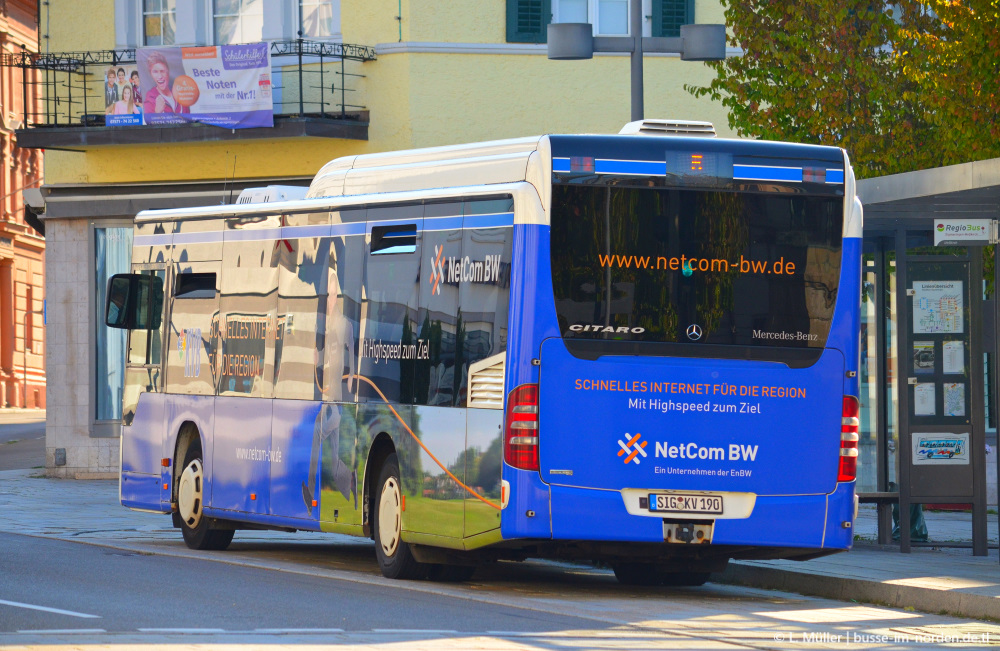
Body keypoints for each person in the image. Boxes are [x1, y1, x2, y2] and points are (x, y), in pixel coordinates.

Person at [303, 266, 357, 517]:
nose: (330, 299)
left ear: (339, 296)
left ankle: (310, 490)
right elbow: (323, 360)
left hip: (335, 401)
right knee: (334, 460)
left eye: (334, 294)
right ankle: (351, 481)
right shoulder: (324, 324)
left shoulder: (344, 324)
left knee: (316, 434)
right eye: (328, 295)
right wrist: (316, 357)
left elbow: (352, 352)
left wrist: (352, 377)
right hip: (328, 397)